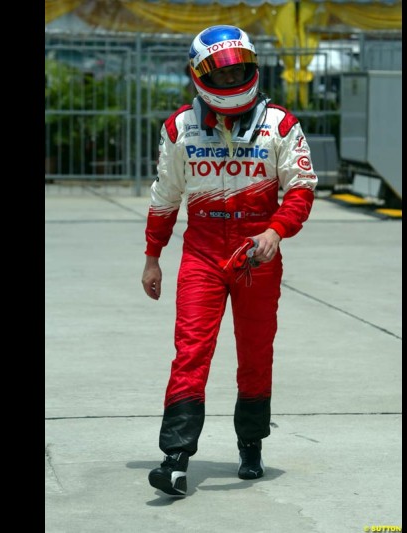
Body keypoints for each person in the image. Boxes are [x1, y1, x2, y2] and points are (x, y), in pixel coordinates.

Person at [141, 24, 318, 497]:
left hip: (256, 252)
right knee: (191, 350)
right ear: (197, 75)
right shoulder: (179, 127)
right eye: (220, 71)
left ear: (254, 66)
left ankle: (251, 444)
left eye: (239, 67)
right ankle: (175, 459)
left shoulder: (280, 124)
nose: (231, 77)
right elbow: (165, 196)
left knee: (255, 354)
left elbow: (300, 190)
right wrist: (152, 256)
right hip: (201, 250)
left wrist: (275, 232)